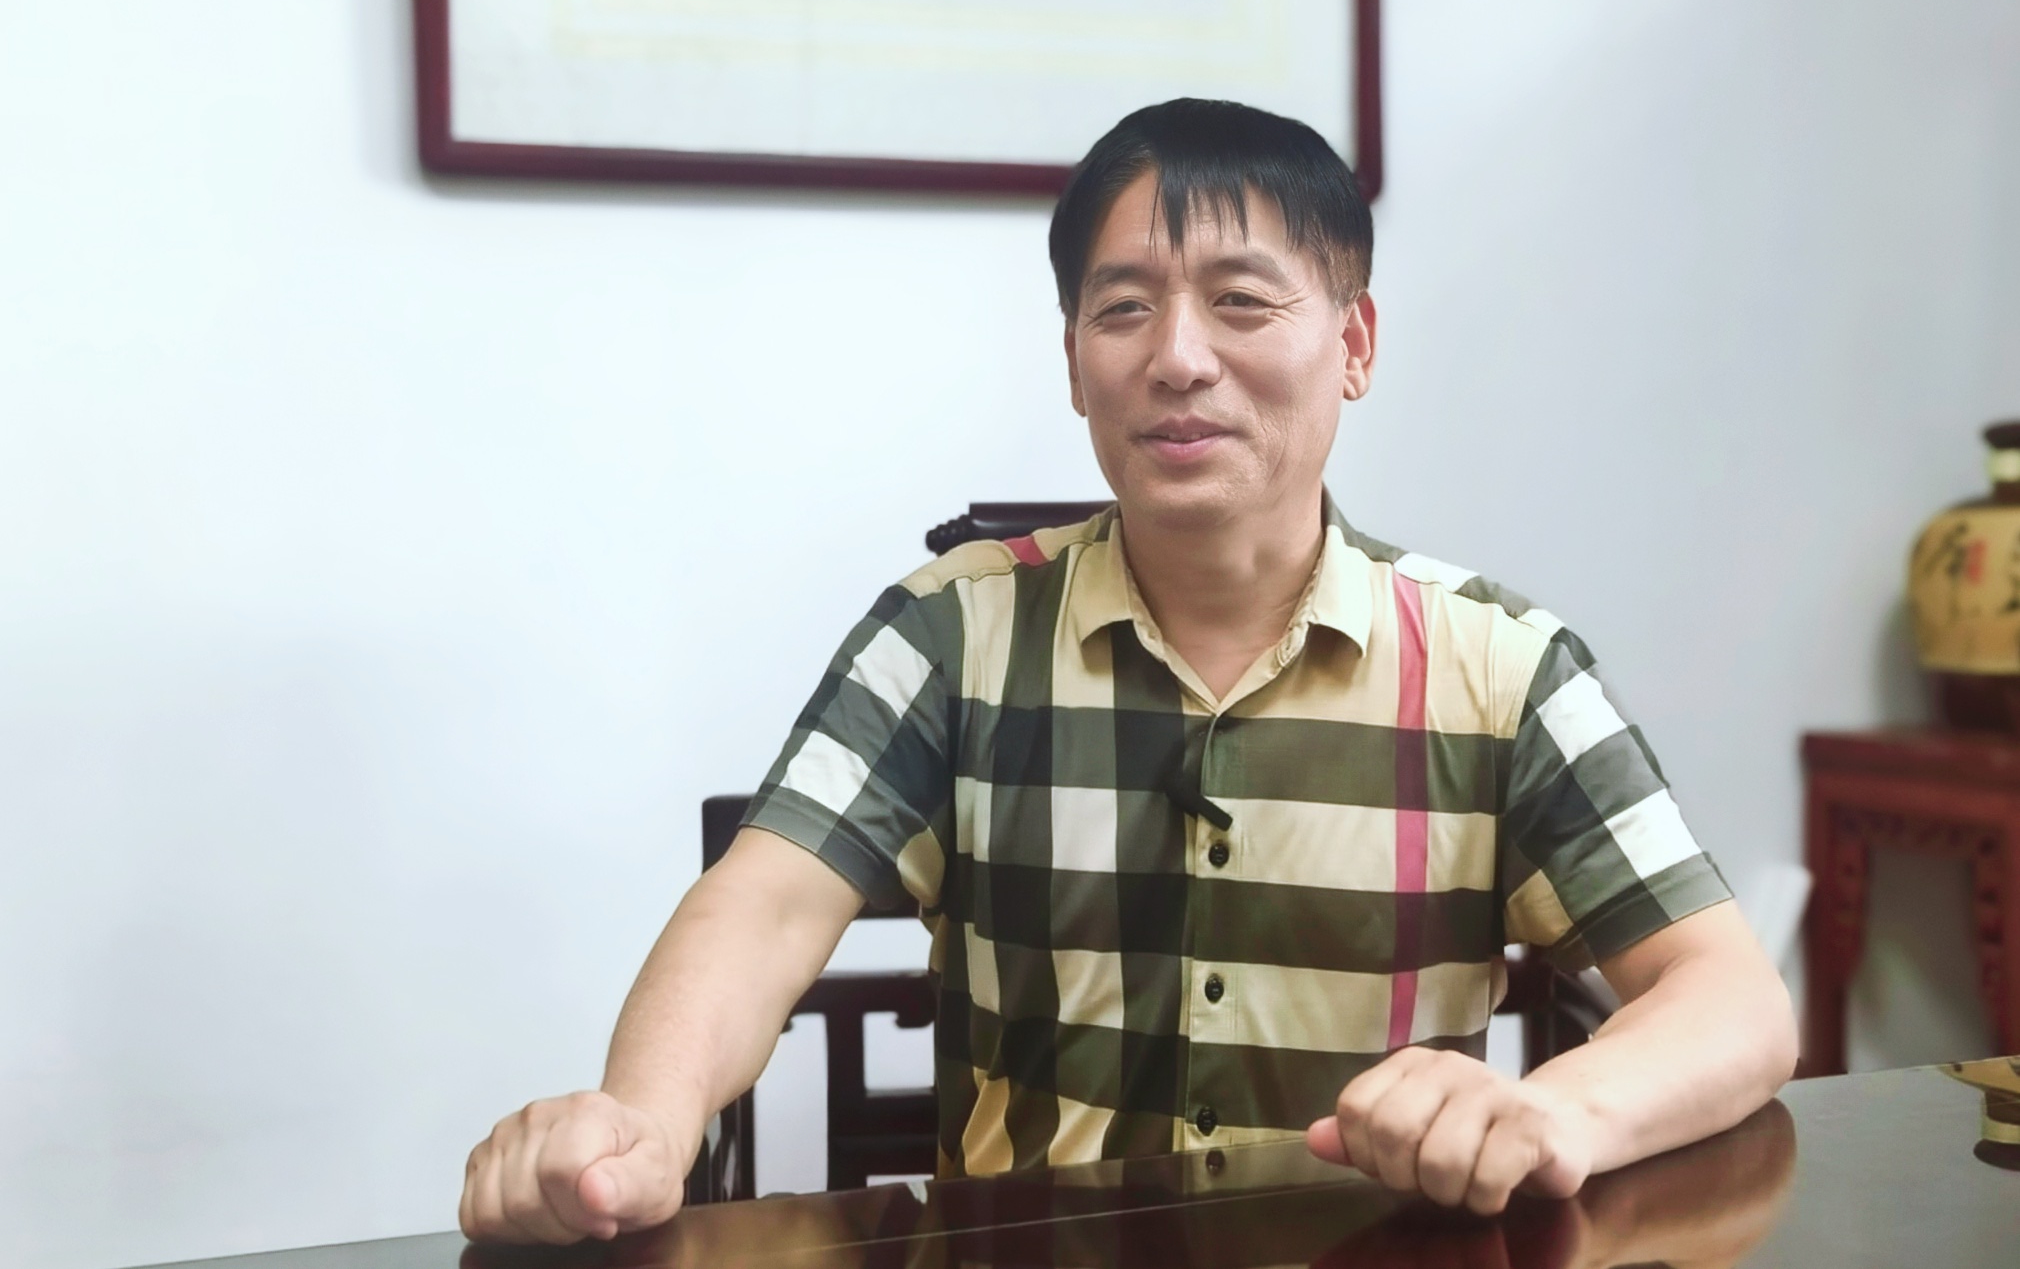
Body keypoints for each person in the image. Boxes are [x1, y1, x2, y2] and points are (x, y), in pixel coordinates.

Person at [457, 98, 1797, 1245]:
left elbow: (1732, 999)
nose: (1178, 358)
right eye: (1123, 310)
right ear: (1073, 364)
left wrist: (1554, 1110)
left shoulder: (1497, 667)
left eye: (1242, 301)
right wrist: (639, 1126)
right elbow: (759, 909)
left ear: (1355, 345)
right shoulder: (952, 635)